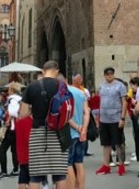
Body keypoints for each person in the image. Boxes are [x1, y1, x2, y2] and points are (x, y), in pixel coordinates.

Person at [19, 60, 69, 189]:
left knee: (35, 174)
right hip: (59, 134)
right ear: (57, 71)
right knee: (60, 175)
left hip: (38, 133)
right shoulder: (62, 86)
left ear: (43, 70)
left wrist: (33, 109)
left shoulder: (32, 87)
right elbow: (68, 112)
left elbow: (22, 114)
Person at [95, 66, 128, 176]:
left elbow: (124, 102)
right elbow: (99, 101)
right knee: (106, 143)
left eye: (111, 74)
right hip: (104, 119)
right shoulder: (101, 86)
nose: (110, 76)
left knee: (118, 143)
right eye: (107, 74)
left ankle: (121, 164)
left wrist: (122, 118)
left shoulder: (120, 86)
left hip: (116, 118)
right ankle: (106, 165)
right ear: (104, 75)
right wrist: (98, 118)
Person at [66, 76, 90, 189]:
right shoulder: (80, 92)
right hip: (81, 133)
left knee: (68, 165)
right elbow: (87, 112)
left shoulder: (63, 94)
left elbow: (66, 116)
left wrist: (77, 127)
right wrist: (83, 128)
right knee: (79, 163)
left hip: (70, 133)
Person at [0, 82, 21, 180]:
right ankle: (15, 169)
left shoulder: (12, 100)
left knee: (1, 149)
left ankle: (4, 171)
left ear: (11, 90)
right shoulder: (20, 100)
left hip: (11, 128)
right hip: (17, 128)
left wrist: (9, 115)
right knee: (14, 150)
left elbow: (12, 112)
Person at [15, 113, 33, 189]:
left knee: (22, 177)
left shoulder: (18, 121)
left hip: (21, 153)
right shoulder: (28, 121)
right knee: (32, 179)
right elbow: (27, 138)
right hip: (28, 154)